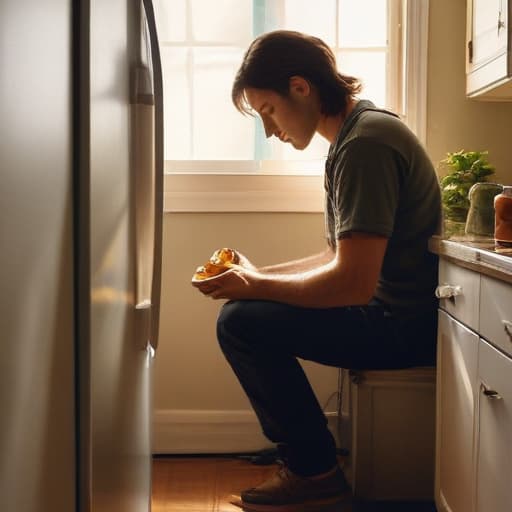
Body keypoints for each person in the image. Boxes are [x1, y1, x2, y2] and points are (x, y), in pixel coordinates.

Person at [191, 30, 441, 510]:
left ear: (300, 88)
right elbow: (336, 256)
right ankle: (310, 462)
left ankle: (313, 472)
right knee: (248, 306)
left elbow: (352, 282)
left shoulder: (365, 144)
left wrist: (256, 286)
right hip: (388, 312)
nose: (269, 130)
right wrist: (257, 277)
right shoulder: (356, 134)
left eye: (268, 111)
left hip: (402, 326)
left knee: (240, 322)